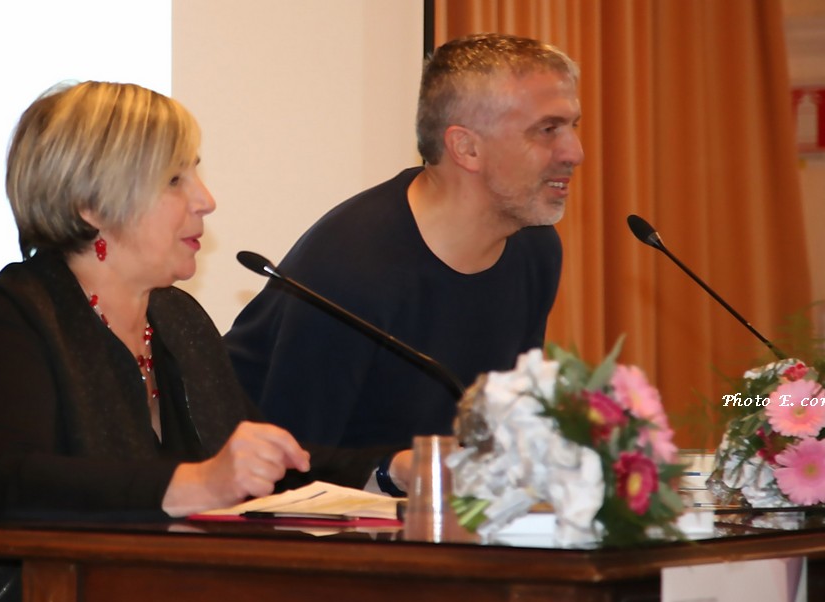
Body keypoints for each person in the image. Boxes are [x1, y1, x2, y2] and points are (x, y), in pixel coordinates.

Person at [0, 81, 392, 602]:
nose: (206, 200)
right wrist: (196, 483)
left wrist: (387, 473)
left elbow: (262, 465)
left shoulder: (177, 319)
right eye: (175, 179)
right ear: (91, 204)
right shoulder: (10, 315)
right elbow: (11, 486)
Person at [225, 34, 584, 482]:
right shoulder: (352, 268)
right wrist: (390, 472)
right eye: (547, 130)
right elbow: (287, 465)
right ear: (466, 147)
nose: (575, 152)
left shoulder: (535, 248)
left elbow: (501, 426)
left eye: (573, 126)